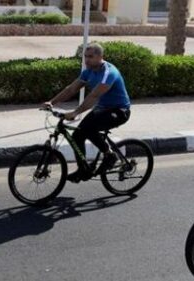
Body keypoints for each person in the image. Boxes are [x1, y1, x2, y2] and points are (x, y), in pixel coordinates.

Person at [42, 43, 132, 183]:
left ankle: (109, 155)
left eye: (90, 56)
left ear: (100, 57)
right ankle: (83, 169)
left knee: (88, 128)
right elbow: (71, 89)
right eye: (85, 56)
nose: (87, 60)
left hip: (119, 111)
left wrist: (76, 112)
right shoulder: (88, 71)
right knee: (77, 135)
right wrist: (52, 102)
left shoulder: (109, 73)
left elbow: (94, 96)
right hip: (102, 109)